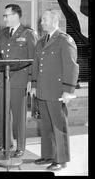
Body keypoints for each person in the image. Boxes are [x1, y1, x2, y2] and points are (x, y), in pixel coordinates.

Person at [30, 9, 79, 171]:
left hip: (57, 91)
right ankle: (48, 155)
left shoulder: (64, 40)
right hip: (43, 90)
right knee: (46, 125)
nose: (41, 22)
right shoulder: (41, 41)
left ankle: (61, 159)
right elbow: (36, 65)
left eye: (44, 19)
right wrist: (34, 85)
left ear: (54, 20)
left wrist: (68, 90)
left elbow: (71, 67)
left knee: (59, 126)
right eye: (42, 19)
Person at [0, 4, 38, 158]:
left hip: (20, 80)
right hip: (4, 80)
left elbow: (34, 59)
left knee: (18, 116)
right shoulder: (2, 33)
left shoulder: (28, 33)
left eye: (7, 15)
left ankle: (20, 147)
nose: (4, 18)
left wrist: (32, 79)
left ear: (16, 16)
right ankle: (5, 143)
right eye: (4, 16)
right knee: (4, 113)